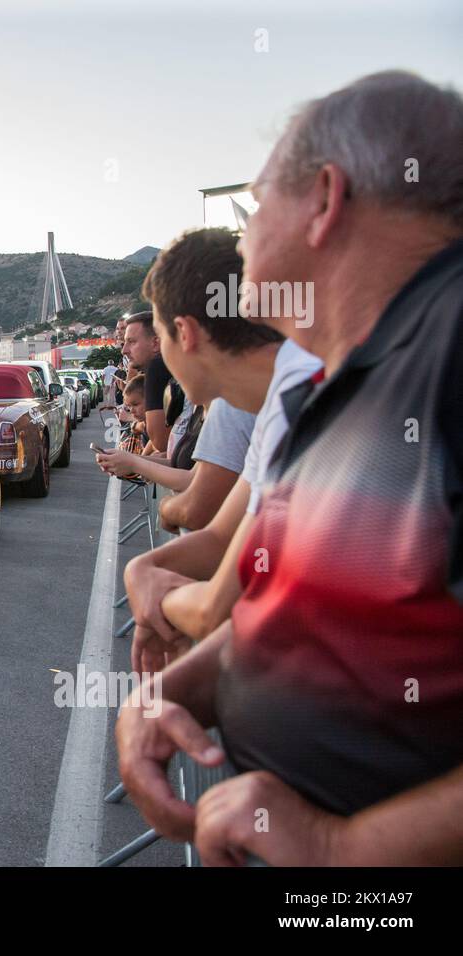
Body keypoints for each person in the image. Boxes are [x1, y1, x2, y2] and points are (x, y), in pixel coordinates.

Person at [117, 71, 463, 866]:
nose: (239, 242)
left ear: (324, 199)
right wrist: (170, 694)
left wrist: (342, 848)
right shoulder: (335, 387)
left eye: (254, 207)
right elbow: (292, 621)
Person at [120, 312, 174, 452]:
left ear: (156, 343)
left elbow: (160, 443)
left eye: (132, 342)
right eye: (125, 342)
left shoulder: (156, 367)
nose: (124, 350)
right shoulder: (168, 366)